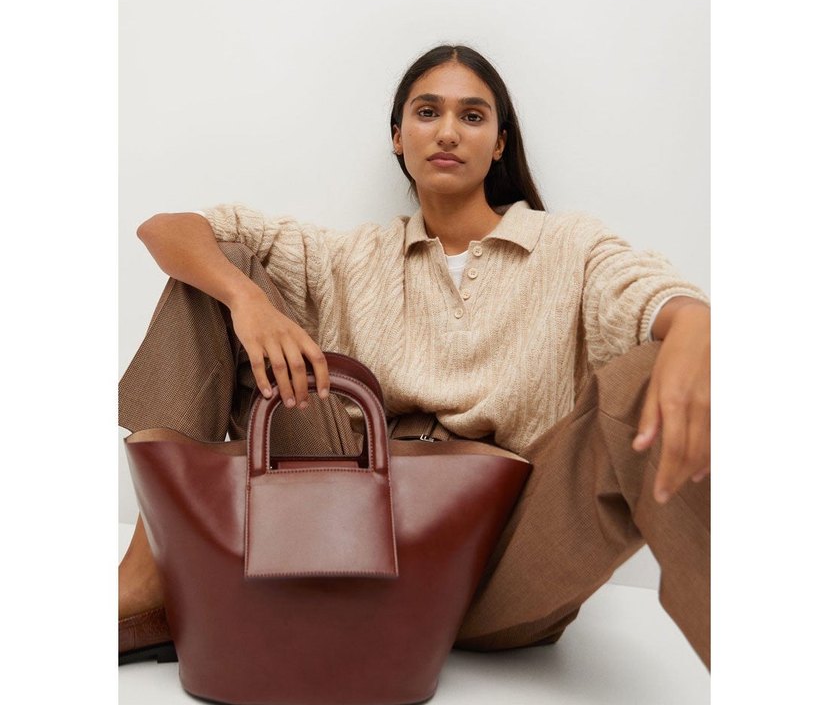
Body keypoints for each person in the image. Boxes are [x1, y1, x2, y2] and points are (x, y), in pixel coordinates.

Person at [118, 44, 711, 669]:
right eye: (428, 112)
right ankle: (148, 573)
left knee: (652, 375)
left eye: (472, 116)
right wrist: (250, 302)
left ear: (500, 143)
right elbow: (169, 228)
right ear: (398, 137)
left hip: (501, 562)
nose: (448, 131)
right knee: (215, 273)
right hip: (345, 535)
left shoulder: (569, 246)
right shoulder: (351, 256)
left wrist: (695, 325)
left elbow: (647, 293)